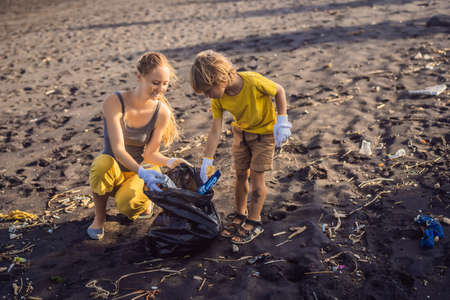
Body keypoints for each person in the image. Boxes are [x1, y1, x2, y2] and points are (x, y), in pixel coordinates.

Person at [190, 50, 291, 244]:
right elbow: (215, 128)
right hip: (241, 135)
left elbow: (279, 90)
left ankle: (254, 221)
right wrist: (206, 160)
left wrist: (282, 120)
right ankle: (240, 213)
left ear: (220, 77)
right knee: (240, 175)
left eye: (207, 89)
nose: (207, 95)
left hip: (264, 136)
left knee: (256, 177)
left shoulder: (252, 81)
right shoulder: (218, 98)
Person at [87, 52, 190, 240]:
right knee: (102, 164)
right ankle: (99, 218)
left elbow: (151, 154)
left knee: (127, 205)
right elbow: (118, 149)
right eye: (155, 82)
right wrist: (142, 172)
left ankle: (144, 203)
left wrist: (172, 161)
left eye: (165, 84)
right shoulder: (115, 102)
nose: (160, 89)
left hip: (139, 172)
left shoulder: (162, 113)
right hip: (115, 169)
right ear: (139, 77)